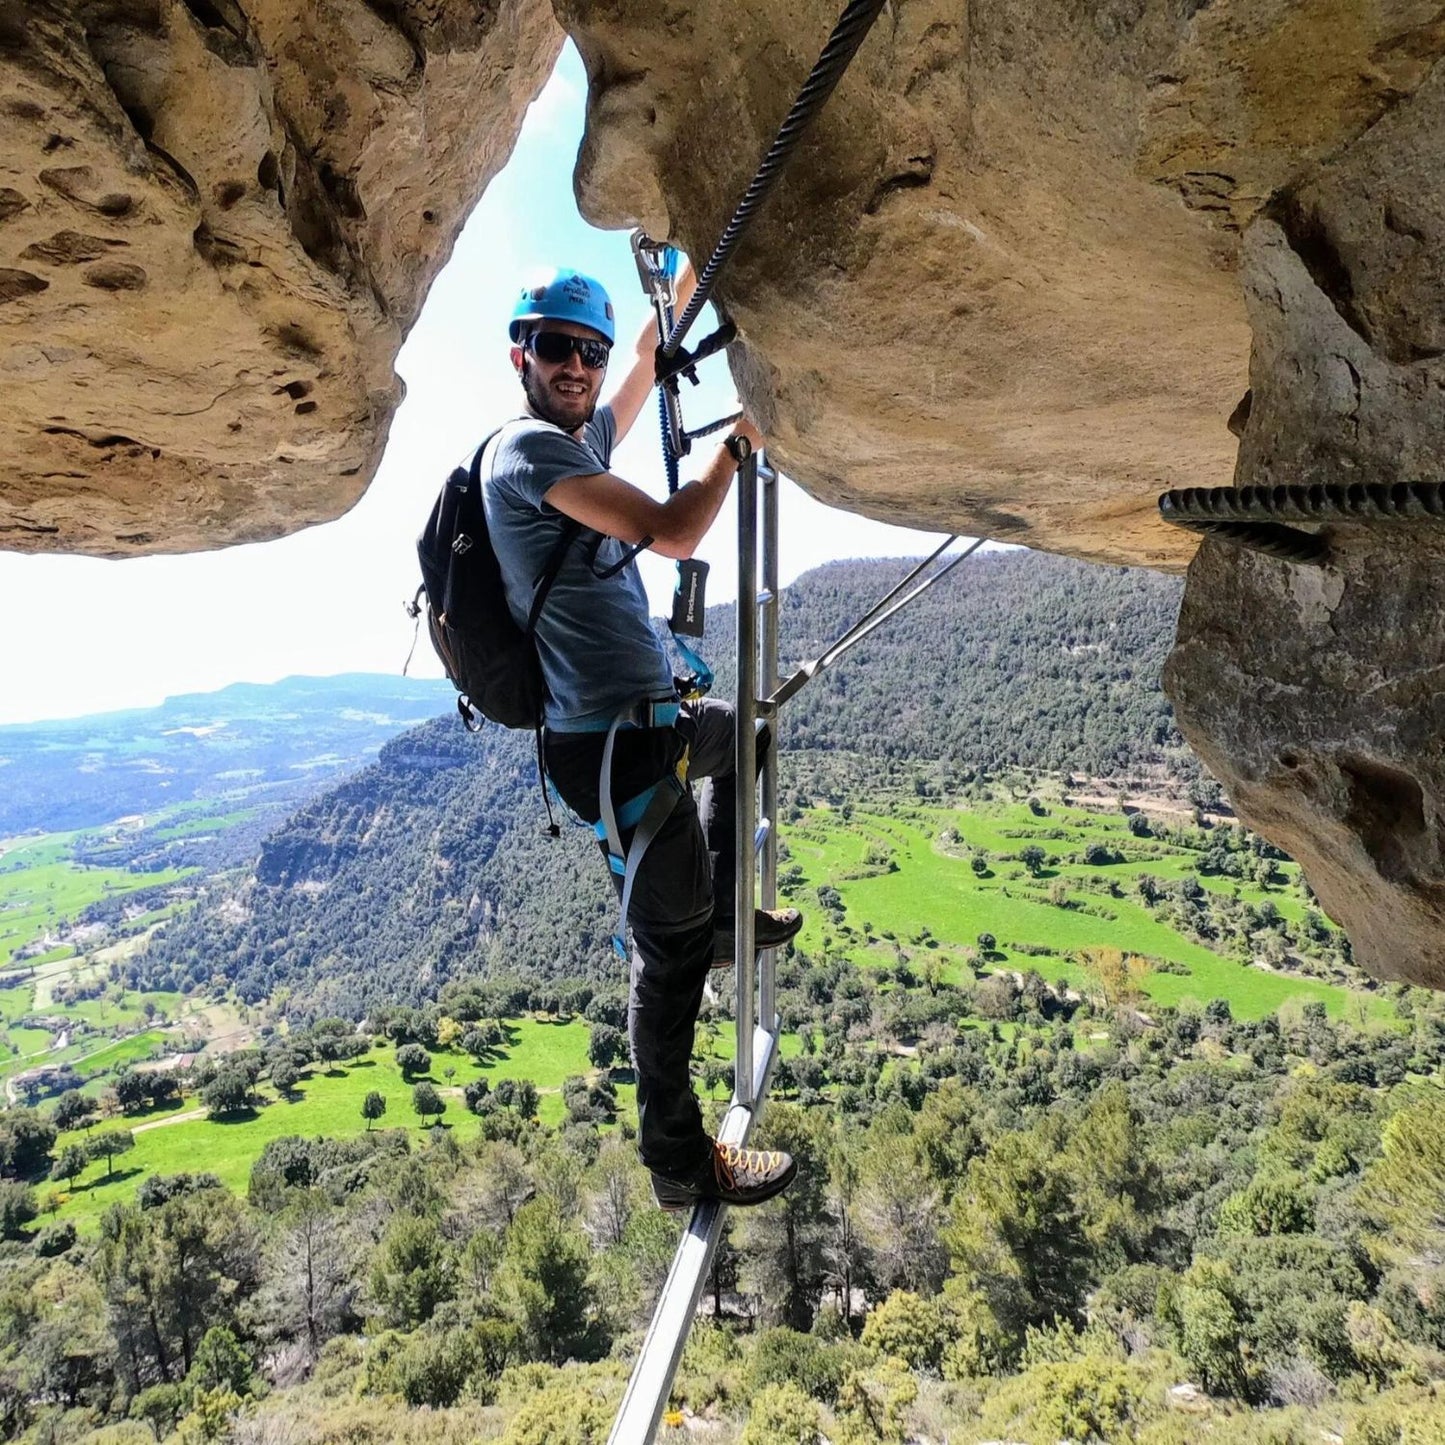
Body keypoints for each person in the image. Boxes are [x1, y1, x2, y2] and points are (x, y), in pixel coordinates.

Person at [483, 265, 803, 1210]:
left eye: (583, 349)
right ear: (521, 355)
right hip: (610, 746)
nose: (576, 366)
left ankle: (716, 921)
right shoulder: (526, 455)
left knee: (743, 735)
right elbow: (672, 532)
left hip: (645, 725)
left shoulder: (576, 437)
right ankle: (677, 1161)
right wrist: (737, 445)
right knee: (662, 964)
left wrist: (691, 269)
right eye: (556, 348)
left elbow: (637, 371)